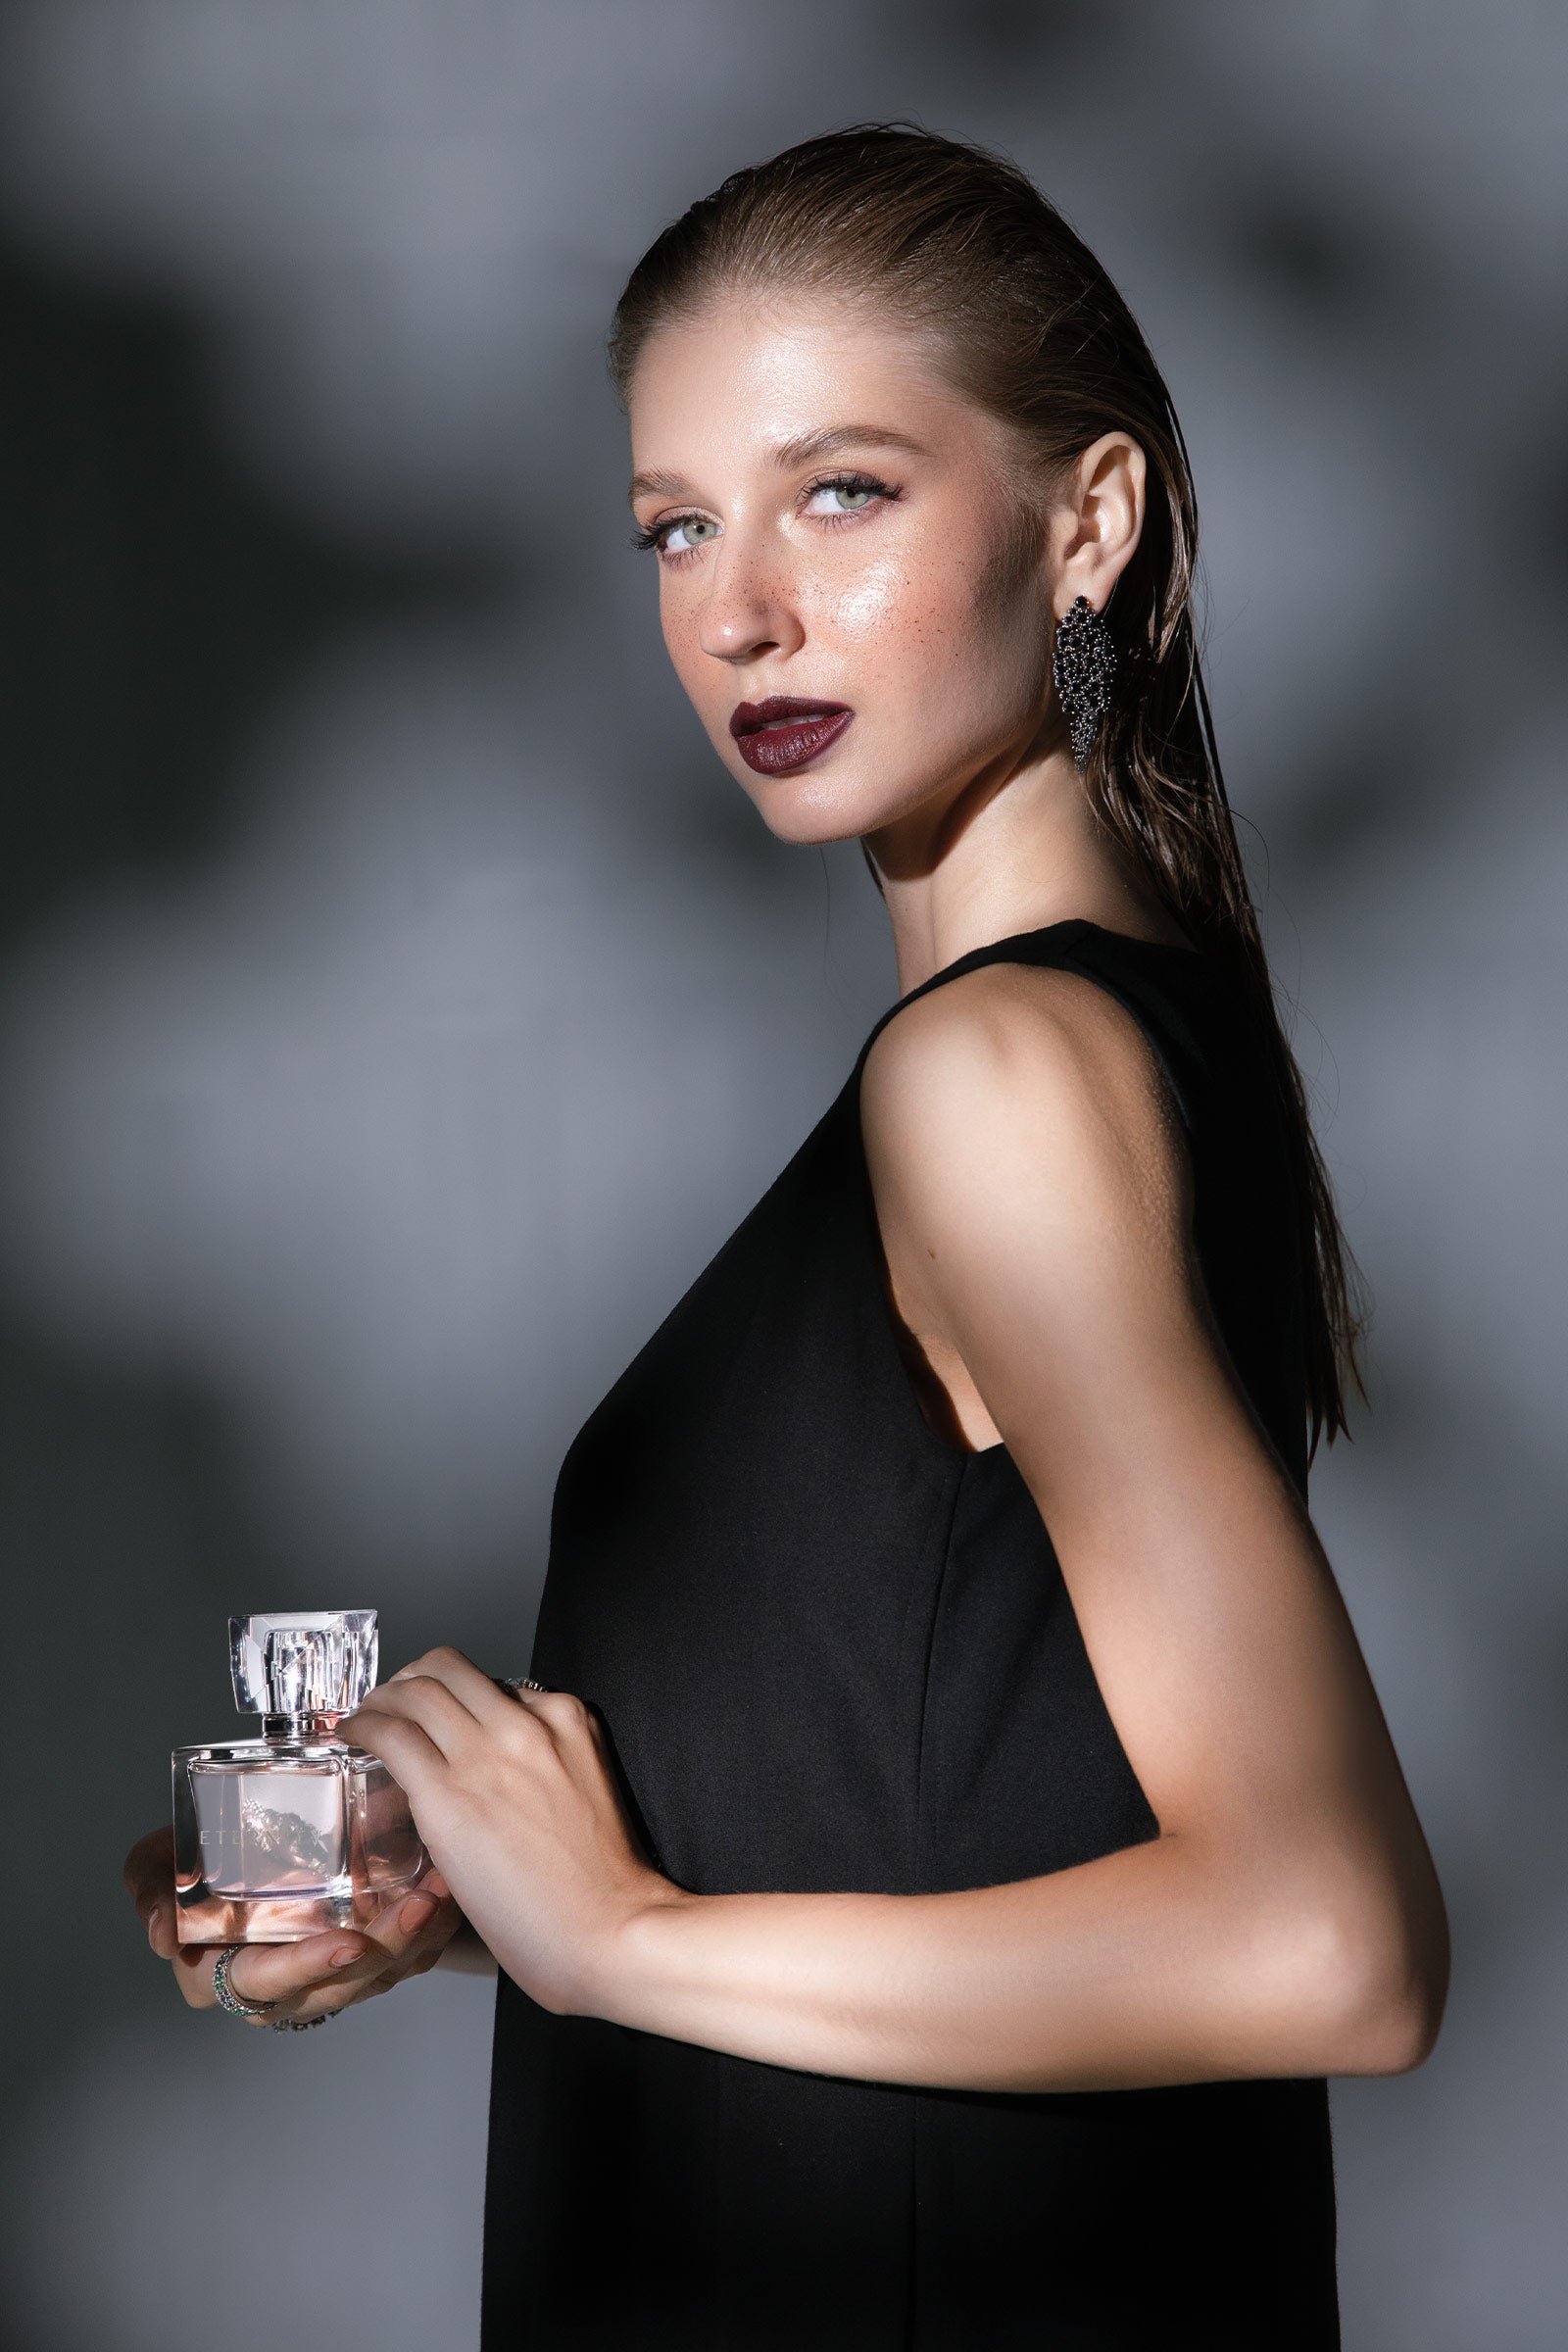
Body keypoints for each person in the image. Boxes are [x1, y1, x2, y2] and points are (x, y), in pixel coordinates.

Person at [125, 125, 1448, 2348]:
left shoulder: (994, 1078)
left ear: (1089, 521)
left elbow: (1327, 1941)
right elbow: (969, 1798)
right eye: (676, 526)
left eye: (840, 492)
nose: (737, 613)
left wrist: (627, 1943)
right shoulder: (1093, 1050)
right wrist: (485, 1908)